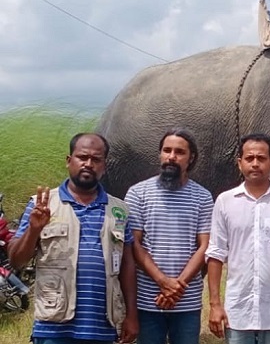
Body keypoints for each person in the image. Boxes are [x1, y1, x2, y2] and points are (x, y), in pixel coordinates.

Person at [7, 133, 138, 344]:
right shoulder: (42, 204)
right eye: (82, 157)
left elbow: (127, 266)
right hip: (53, 328)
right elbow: (16, 261)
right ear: (69, 161)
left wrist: (132, 315)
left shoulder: (119, 210)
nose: (88, 164)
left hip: (103, 328)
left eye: (96, 160)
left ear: (104, 165)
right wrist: (33, 230)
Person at [206, 133, 270, 344]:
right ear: (239, 163)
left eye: (261, 158)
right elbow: (216, 254)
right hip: (237, 312)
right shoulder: (225, 202)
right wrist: (215, 305)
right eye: (249, 158)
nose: (255, 163)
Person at [125, 129, 214, 344]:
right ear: (160, 154)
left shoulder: (203, 197)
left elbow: (205, 246)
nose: (172, 157)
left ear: (190, 158)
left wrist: (177, 287)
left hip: (187, 301)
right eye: (167, 150)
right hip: (147, 300)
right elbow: (134, 243)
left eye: (179, 152)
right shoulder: (138, 193)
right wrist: (162, 281)